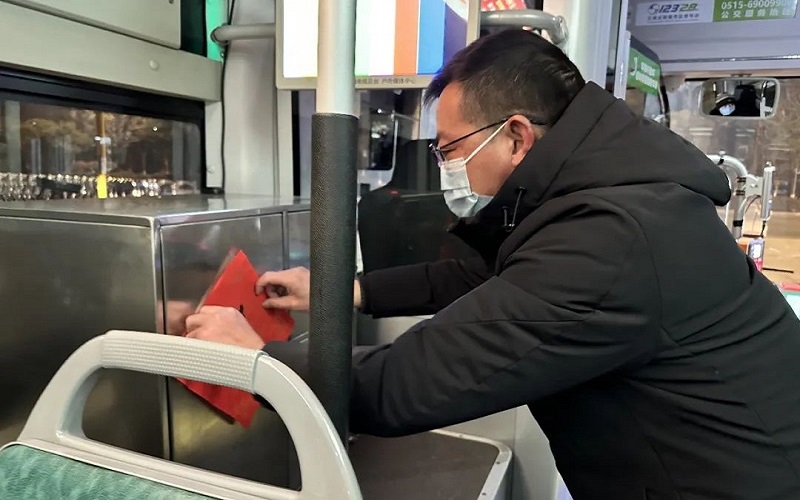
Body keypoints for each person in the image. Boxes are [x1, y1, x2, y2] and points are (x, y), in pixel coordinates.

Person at [184, 30, 800, 499]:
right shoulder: (612, 198)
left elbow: (408, 385)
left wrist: (256, 361)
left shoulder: (613, 238)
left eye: (449, 148)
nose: (445, 166)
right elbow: (484, 279)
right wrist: (346, 291)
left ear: (516, 137)